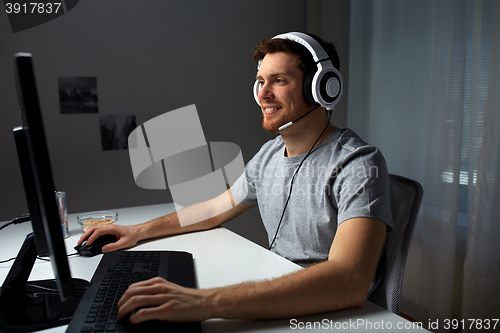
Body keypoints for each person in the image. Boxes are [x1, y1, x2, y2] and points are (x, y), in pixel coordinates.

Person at [77, 32, 393, 323]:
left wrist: (204, 302)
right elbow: (213, 209)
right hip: (280, 297)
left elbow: (348, 281)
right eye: (260, 82)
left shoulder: (357, 163)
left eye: (278, 80)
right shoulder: (270, 155)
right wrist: (137, 231)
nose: (263, 95)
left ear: (322, 86)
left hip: (330, 314)